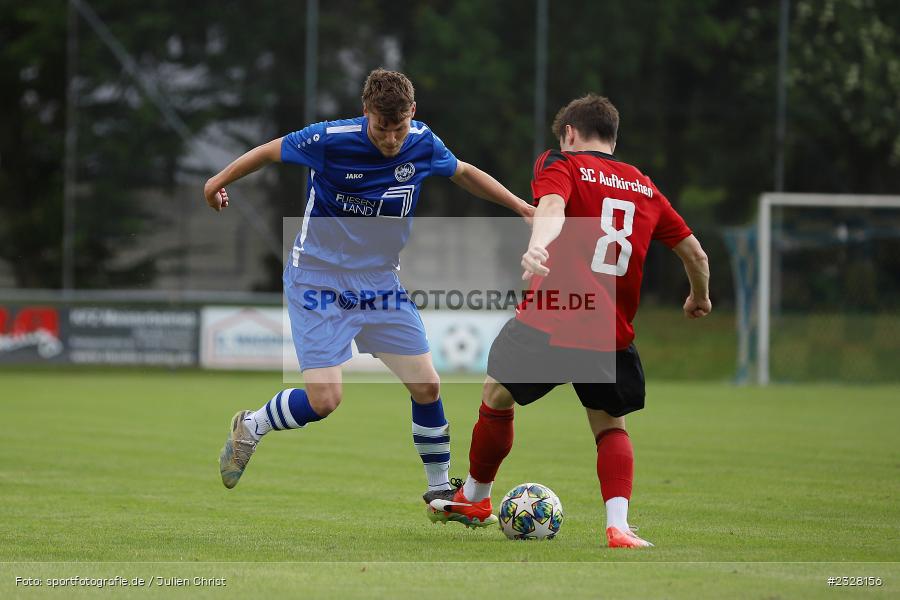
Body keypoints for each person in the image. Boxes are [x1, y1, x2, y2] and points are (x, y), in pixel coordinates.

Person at [206, 68, 533, 514]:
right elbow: (268, 152)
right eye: (382, 128)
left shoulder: (423, 142)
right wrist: (217, 181)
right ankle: (253, 425)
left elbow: (464, 173)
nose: (392, 139)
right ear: (366, 114)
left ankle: (439, 490)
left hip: (380, 283)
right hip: (317, 279)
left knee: (427, 385)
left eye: (399, 128)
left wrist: (519, 207)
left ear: (412, 113)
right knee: (325, 400)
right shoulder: (330, 139)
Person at [425, 94, 711, 547]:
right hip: (610, 331)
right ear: (612, 138)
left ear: (570, 134)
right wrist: (699, 296)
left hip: (554, 316)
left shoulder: (562, 163)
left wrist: (539, 243)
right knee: (610, 423)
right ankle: (618, 526)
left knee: (497, 395)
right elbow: (694, 251)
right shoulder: (644, 186)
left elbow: (553, 208)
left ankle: (477, 496)